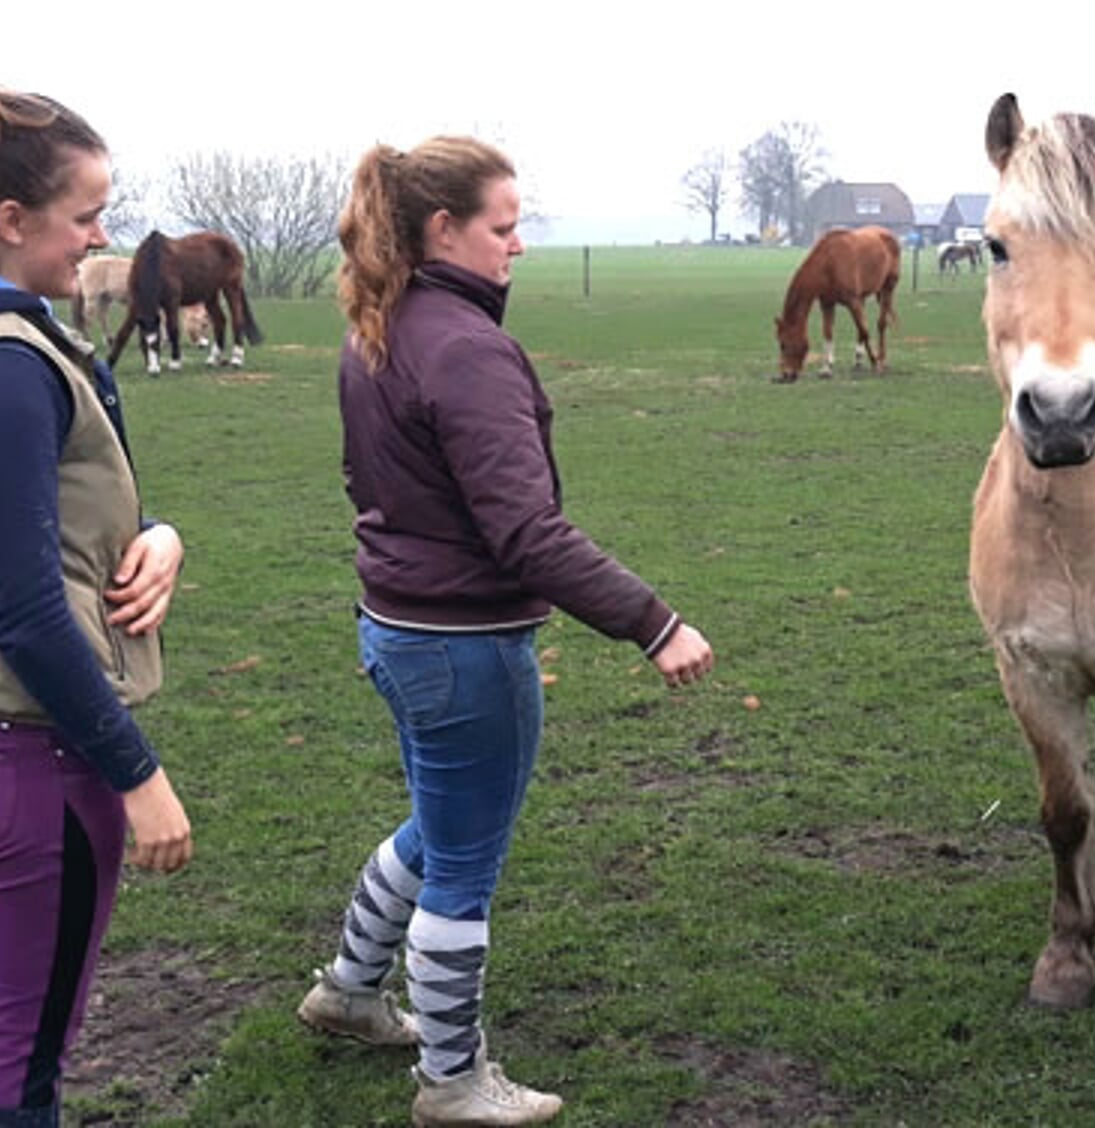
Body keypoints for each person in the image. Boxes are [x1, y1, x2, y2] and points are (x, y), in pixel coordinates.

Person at [296, 136, 714, 1128]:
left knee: (440, 824)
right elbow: (528, 532)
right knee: (465, 860)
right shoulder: (467, 348)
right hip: (462, 648)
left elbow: (374, 486)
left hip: (398, 631)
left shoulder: (382, 325)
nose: (517, 245)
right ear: (444, 229)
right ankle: (452, 1082)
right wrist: (653, 624)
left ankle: (349, 993)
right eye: (504, 225)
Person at [0, 64, 194, 1127]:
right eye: (85, 217)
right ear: (11, 220)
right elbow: (18, 606)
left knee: (31, 1037)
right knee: (23, 1059)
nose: (100, 240)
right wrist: (136, 773)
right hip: (28, 754)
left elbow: (43, 527)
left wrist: (157, 536)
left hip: (0, 740)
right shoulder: (1, 364)